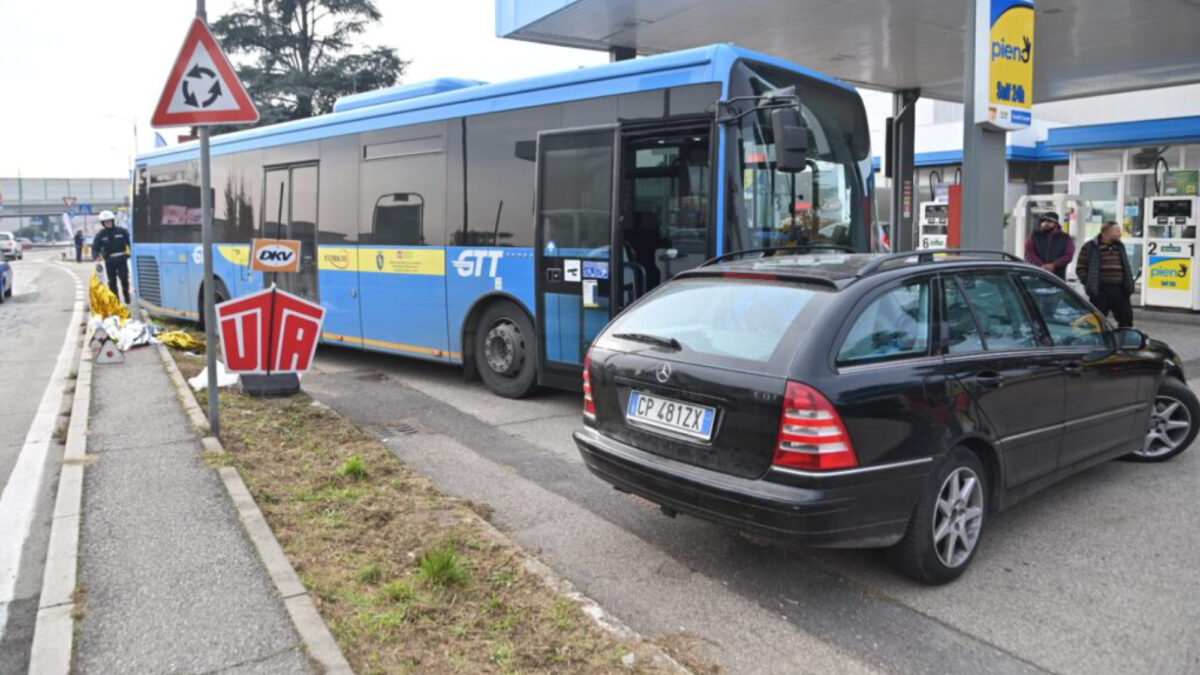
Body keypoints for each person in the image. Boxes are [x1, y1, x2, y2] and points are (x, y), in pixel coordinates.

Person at [1075, 221, 1135, 327]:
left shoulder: (1119, 246)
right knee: (1098, 321)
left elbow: (1126, 267)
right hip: (1100, 290)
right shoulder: (1090, 247)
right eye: (1117, 231)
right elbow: (1080, 268)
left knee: (1126, 318)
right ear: (1107, 232)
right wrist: (1089, 283)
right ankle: (1100, 342)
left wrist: (1129, 285)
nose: (1120, 234)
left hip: (1120, 289)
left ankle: (1125, 341)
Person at [92, 210, 132, 304]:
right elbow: (95, 248)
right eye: (105, 222)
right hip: (109, 260)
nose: (108, 223)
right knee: (112, 282)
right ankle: (115, 300)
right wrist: (96, 256)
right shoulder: (100, 235)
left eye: (109, 221)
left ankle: (126, 295)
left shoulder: (122, 231)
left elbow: (130, 243)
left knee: (124, 279)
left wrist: (130, 254)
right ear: (103, 223)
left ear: (113, 221)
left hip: (122, 259)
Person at [1024, 211, 1075, 280]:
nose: (1045, 223)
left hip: (1058, 277)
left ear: (1056, 223)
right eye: (1043, 221)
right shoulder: (1034, 236)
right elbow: (1029, 253)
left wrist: (1054, 265)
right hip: (1036, 275)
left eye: (1049, 221)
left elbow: (1068, 255)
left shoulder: (1065, 238)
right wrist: (1041, 265)